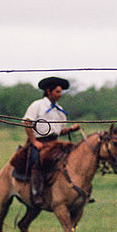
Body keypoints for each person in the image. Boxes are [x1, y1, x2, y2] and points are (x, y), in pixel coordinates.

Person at [22, 76, 80, 207]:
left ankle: (74, 192)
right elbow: (27, 123)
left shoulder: (59, 110)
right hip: (39, 142)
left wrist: (71, 129)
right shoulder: (37, 105)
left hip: (55, 143)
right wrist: (34, 141)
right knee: (38, 161)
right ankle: (36, 194)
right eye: (57, 92)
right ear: (49, 92)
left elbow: (59, 130)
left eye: (60, 92)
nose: (60, 95)